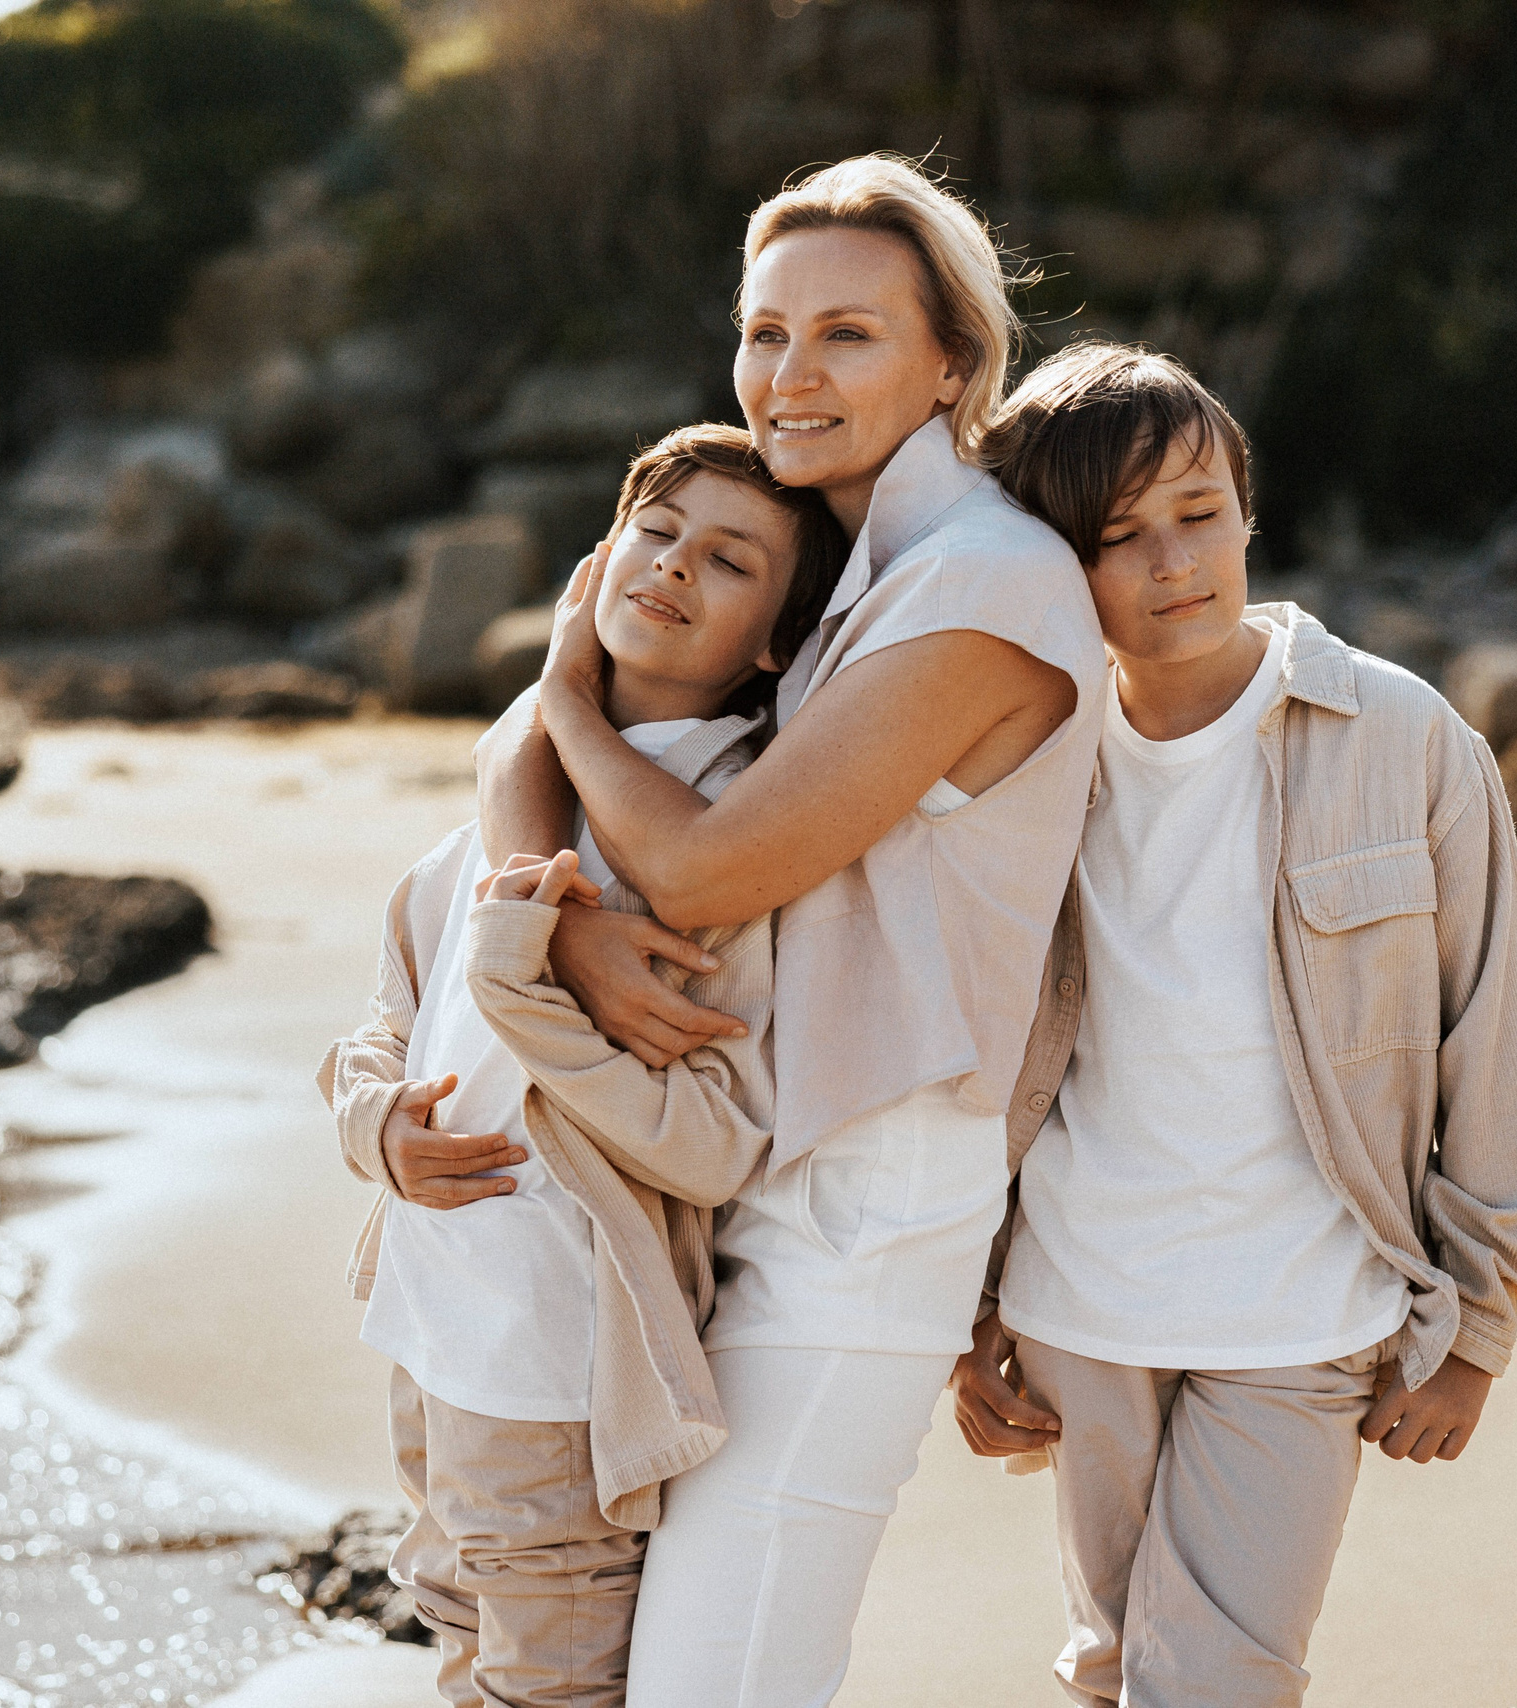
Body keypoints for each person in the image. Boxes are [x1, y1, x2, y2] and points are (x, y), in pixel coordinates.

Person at [415, 155, 1105, 1708]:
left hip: (863, 1212)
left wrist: (565, 690)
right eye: (764, 331)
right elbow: (523, 754)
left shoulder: (986, 583)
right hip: (723, 1197)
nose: (790, 373)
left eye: (848, 335)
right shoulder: (839, 574)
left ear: (954, 363)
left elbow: (708, 868)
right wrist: (557, 922)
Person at [949, 341, 1517, 1708]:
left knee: (1215, 1683)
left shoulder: (1401, 737)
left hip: (1307, 1309)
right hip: (1076, 1308)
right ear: (1053, 563)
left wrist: (1478, 1324)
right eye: (1118, 536)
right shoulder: (1022, 757)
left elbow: (1496, 1036)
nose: (1173, 562)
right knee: (1112, 1667)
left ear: (1246, 512)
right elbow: (966, 1043)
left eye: (1199, 513)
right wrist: (963, 1306)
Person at [316, 424, 846, 1708]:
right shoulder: (516, 793)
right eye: (655, 532)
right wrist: (376, 1125)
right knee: (455, 1638)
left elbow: (714, 1143)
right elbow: (396, 1012)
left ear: (777, 642)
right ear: (595, 564)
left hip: (555, 1367)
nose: (673, 565)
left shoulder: (722, 847)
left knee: (545, 1684)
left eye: (728, 561)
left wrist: (528, 977)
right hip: (430, 1331)